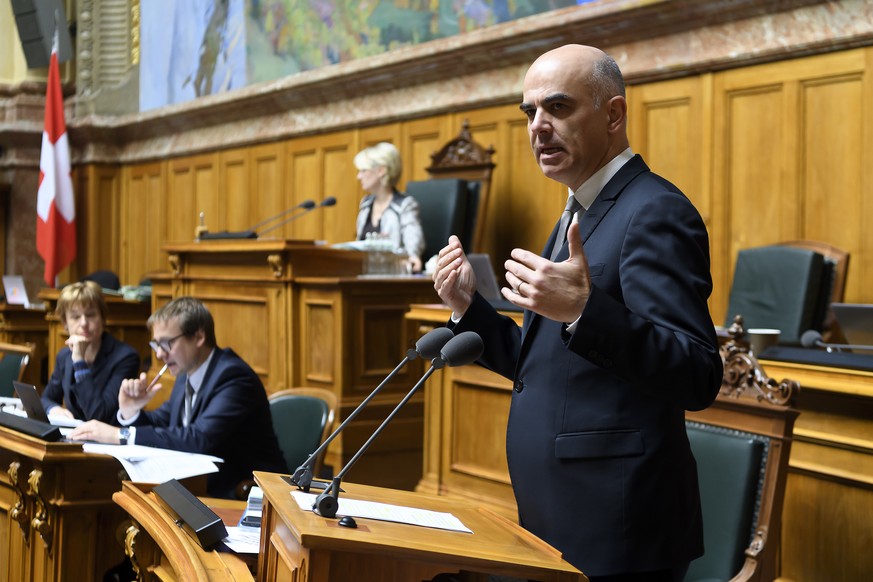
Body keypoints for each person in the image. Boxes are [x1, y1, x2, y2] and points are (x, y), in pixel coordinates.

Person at [432, 45, 723, 581]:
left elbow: (697, 371)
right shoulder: (580, 208)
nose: (538, 127)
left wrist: (586, 311)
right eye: (529, 113)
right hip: (559, 520)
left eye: (558, 108)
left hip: (617, 533)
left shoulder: (653, 210)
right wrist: (468, 309)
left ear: (613, 115)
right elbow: (544, 360)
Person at [71, 296, 286, 499]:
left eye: (167, 343)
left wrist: (123, 435)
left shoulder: (234, 377)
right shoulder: (187, 372)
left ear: (199, 337)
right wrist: (130, 411)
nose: (159, 354)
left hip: (247, 496)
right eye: (156, 344)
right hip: (198, 490)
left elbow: (199, 438)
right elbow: (163, 421)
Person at [41, 281, 140, 424]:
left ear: (103, 318)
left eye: (91, 315)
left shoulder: (125, 357)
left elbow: (99, 415)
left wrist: (79, 362)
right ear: (65, 323)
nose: (84, 323)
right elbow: (46, 398)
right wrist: (54, 409)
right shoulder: (64, 356)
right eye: (75, 317)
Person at [354, 142, 426, 272]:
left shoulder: (405, 206)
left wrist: (412, 257)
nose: (358, 176)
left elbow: (412, 247)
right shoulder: (365, 204)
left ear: (381, 171)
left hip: (392, 278)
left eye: (363, 170)